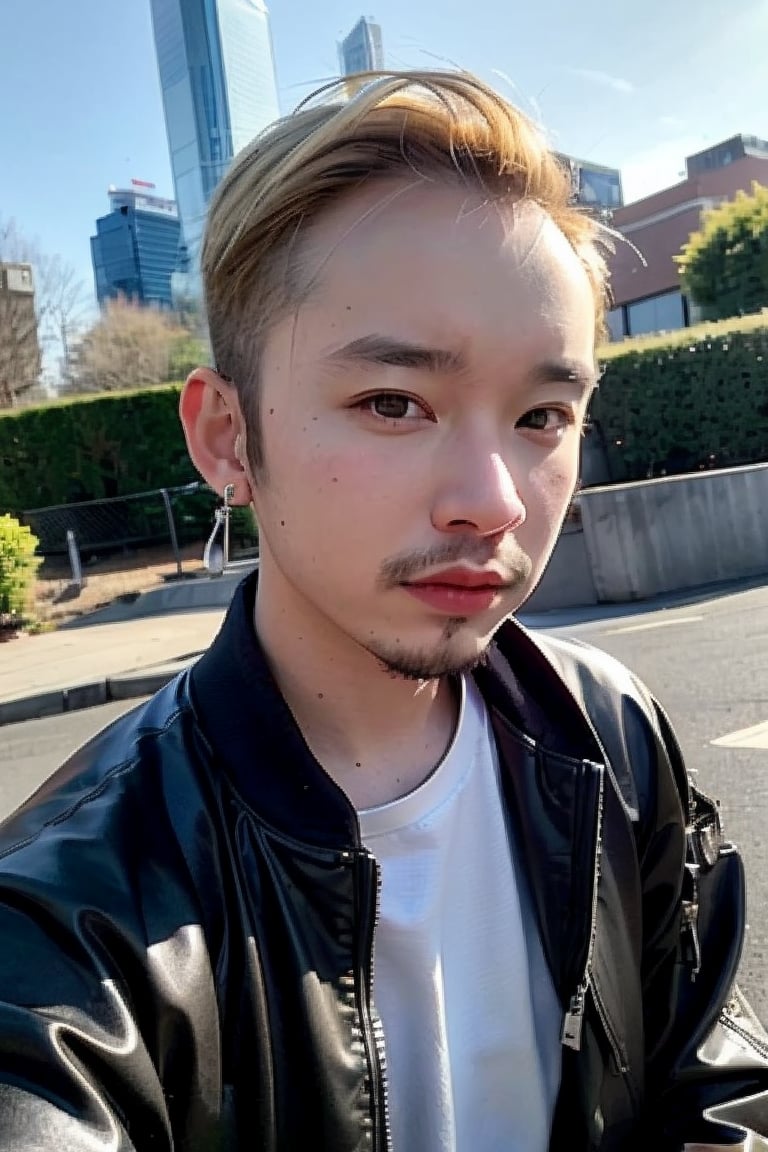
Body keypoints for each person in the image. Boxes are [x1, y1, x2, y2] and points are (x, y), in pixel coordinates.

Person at [0, 71, 766, 1152]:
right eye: (393, 403)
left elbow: (719, 1087)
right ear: (228, 437)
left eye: (544, 414)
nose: (492, 501)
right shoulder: (67, 921)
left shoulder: (611, 731)